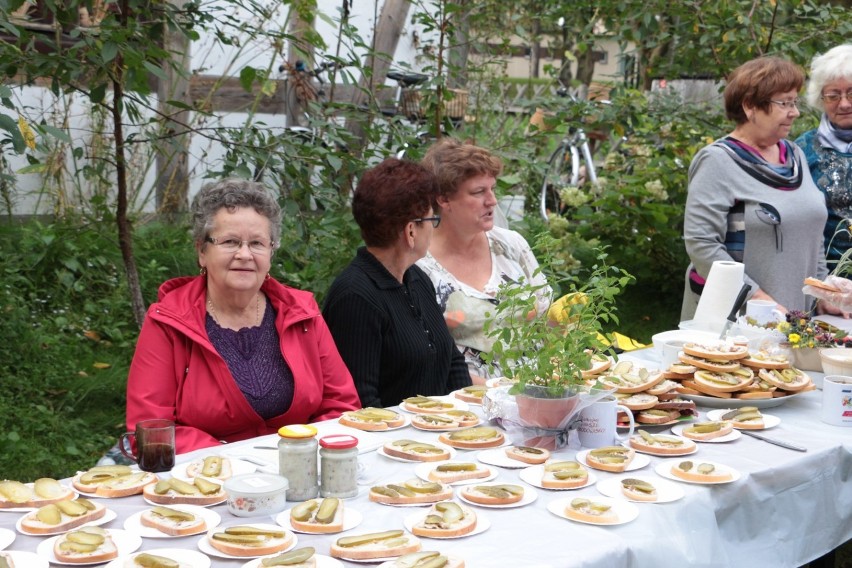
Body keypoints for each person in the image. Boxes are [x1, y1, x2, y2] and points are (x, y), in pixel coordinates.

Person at [126, 179, 360, 454]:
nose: (245, 254)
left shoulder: (302, 313)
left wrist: (301, 454)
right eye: (230, 242)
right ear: (202, 251)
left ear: (271, 252)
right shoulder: (168, 322)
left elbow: (342, 406)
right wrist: (233, 460)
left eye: (258, 243)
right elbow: (148, 430)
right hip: (207, 481)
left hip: (298, 472)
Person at [682, 56, 843, 319]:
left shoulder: (794, 155)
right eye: (785, 103)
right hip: (734, 320)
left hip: (791, 318)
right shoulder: (718, 161)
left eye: (795, 102)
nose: (795, 112)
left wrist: (822, 293)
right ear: (749, 106)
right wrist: (756, 298)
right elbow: (702, 246)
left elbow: (812, 233)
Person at [322, 158, 471, 408]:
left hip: (438, 434)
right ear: (411, 231)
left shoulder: (417, 278)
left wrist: (466, 418)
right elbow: (362, 404)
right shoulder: (356, 297)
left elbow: (453, 364)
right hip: (390, 442)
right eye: (432, 220)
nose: (434, 228)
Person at [416, 138, 550, 383]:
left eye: (492, 188)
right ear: (443, 200)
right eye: (479, 192)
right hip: (465, 400)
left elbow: (545, 321)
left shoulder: (511, 244)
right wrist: (505, 393)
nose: (492, 201)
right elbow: (427, 357)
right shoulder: (419, 268)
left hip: (540, 385)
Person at [795, 44, 852, 265]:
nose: (844, 104)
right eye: (833, 95)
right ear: (821, 99)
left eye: (851, 93)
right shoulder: (801, 150)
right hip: (822, 276)